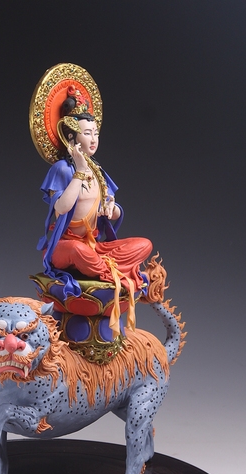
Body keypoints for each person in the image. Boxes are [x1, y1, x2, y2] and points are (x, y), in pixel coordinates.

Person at [37, 87, 153, 331]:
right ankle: (114, 275)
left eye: (96, 133)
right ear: (71, 138)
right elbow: (61, 207)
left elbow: (113, 207)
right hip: (65, 247)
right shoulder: (62, 169)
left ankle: (104, 268)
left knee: (144, 245)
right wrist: (79, 171)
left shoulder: (97, 170)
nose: (93, 139)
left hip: (94, 247)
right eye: (87, 133)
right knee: (79, 251)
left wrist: (111, 209)